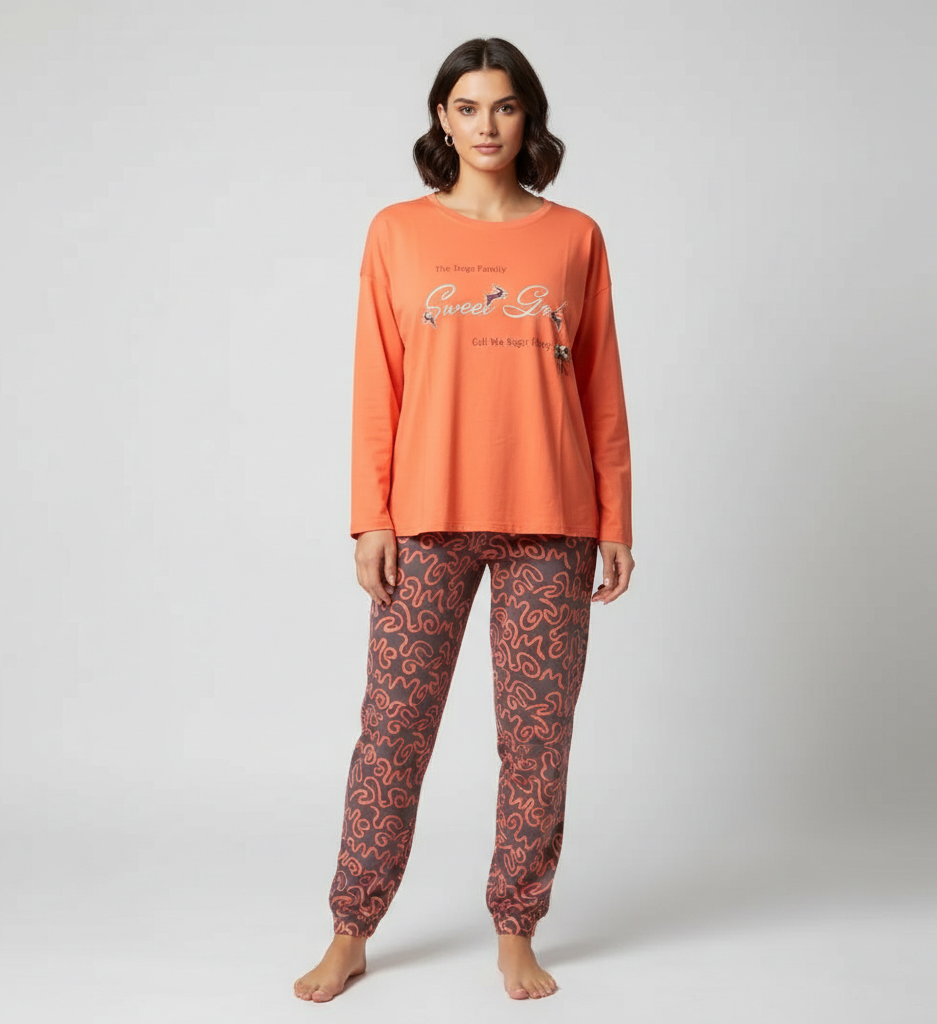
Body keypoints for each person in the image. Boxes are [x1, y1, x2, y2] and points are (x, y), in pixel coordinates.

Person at [293, 36, 634, 1003]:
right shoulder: (397, 232)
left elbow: (602, 386)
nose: (488, 126)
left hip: (552, 520)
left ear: (530, 117)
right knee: (393, 729)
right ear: (443, 118)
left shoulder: (575, 237)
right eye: (469, 107)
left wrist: (615, 517)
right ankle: (351, 928)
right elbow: (376, 383)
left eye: (506, 106)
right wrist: (370, 516)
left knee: (537, 739)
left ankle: (517, 930)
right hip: (427, 518)